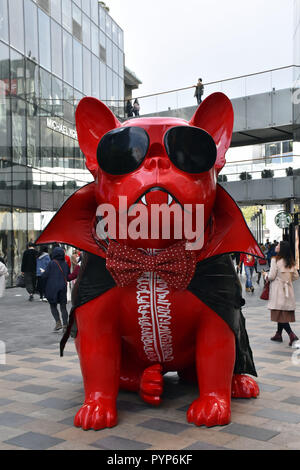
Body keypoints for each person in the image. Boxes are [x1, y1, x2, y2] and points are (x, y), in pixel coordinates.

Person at [265, 241, 299, 345]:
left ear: (281, 249)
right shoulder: (291, 261)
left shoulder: (275, 260)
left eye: (278, 245)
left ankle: (291, 335)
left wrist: (265, 275)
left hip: (278, 291)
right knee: (282, 313)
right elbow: (296, 276)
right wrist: (287, 280)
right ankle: (278, 334)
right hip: (288, 290)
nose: (276, 246)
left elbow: (271, 276)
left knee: (280, 313)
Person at [42, 247, 70, 333]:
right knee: (63, 306)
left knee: (53, 305)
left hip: (52, 287)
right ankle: (65, 325)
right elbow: (68, 276)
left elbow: (45, 275)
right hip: (63, 287)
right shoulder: (65, 264)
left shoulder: (51, 263)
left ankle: (58, 322)